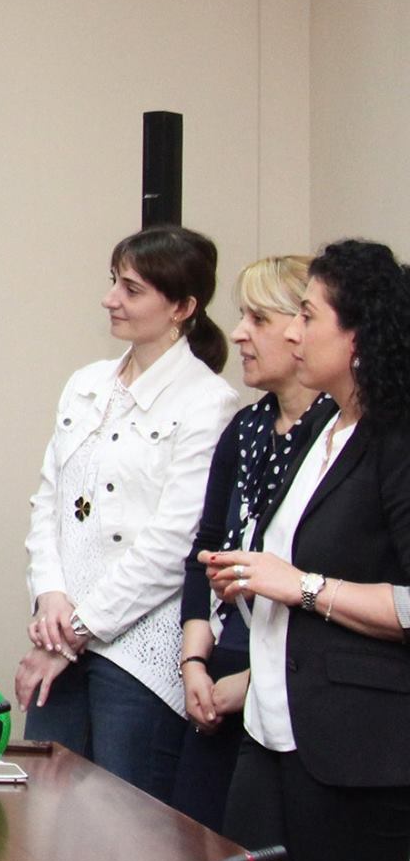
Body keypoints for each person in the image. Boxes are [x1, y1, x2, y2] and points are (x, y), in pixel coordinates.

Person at [200, 239, 410, 861]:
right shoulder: (321, 426)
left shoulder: (396, 436)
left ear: (358, 337)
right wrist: (250, 577)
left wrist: (303, 587)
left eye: (309, 316)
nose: (293, 332)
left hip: (354, 750)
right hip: (270, 732)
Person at [18, 226, 239, 801]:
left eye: (132, 289)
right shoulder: (86, 383)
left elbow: (174, 544)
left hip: (139, 650)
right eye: (114, 282)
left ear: (182, 308)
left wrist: (74, 633)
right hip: (61, 633)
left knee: (125, 822)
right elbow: (50, 503)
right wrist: (50, 596)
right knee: (44, 810)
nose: (110, 299)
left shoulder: (208, 401)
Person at [170, 256, 333, 830]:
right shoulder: (246, 428)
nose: (239, 333)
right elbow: (205, 552)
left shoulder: (337, 435)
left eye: (258, 319)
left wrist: (252, 683)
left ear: (301, 329)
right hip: (222, 663)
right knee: (192, 843)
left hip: (294, 677)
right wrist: (193, 662)